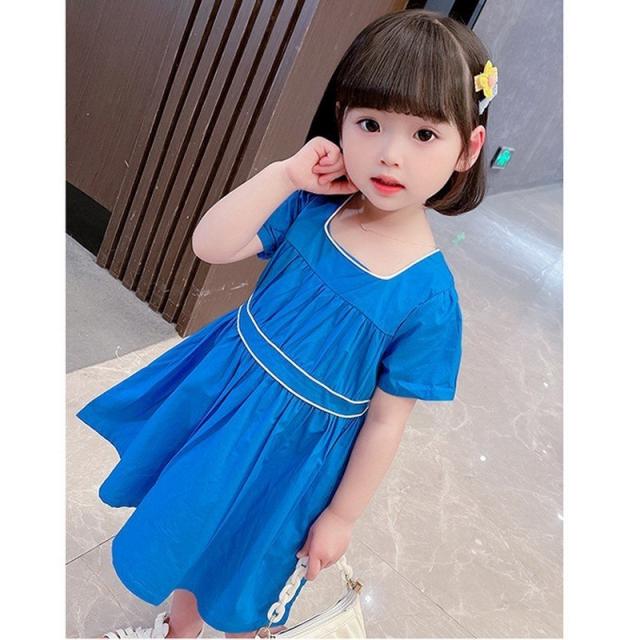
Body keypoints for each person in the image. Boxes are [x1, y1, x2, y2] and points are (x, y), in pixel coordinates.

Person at [76, 8, 497, 639]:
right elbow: (211, 245)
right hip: (224, 399)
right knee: (194, 527)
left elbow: (387, 421)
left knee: (246, 564)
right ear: (341, 120)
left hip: (294, 455)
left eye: (424, 134)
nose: (389, 154)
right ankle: (178, 631)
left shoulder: (429, 301)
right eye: (370, 123)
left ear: (467, 149)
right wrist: (283, 175)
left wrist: (342, 518)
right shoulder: (312, 206)